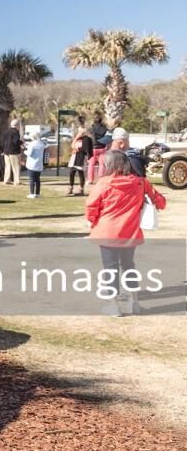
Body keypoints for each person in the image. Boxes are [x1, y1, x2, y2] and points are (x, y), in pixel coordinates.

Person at [86, 150, 166, 316]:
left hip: (107, 232)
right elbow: (161, 202)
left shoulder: (103, 183)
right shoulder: (141, 182)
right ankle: (134, 303)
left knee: (110, 268)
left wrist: (92, 220)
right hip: (130, 232)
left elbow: (91, 206)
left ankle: (113, 305)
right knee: (129, 266)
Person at [67, 126, 94, 196]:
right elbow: (72, 145)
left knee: (80, 172)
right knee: (71, 172)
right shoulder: (78, 138)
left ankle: (81, 189)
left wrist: (78, 149)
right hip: (75, 156)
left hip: (81, 157)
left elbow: (86, 149)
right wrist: (76, 137)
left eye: (81, 131)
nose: (80, 133)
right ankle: (70, 187)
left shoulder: (87, 139)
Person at [0, 119, 23, 186]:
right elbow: (16, 142)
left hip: (6, 152)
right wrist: (21, 142)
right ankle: (17, 181)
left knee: (7, 167)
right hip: (14, 152)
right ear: (17, 125)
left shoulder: (6, 132)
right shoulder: (16, 132)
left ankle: (6, 180)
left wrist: (3, 150)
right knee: (16, 167)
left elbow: (2, 142)